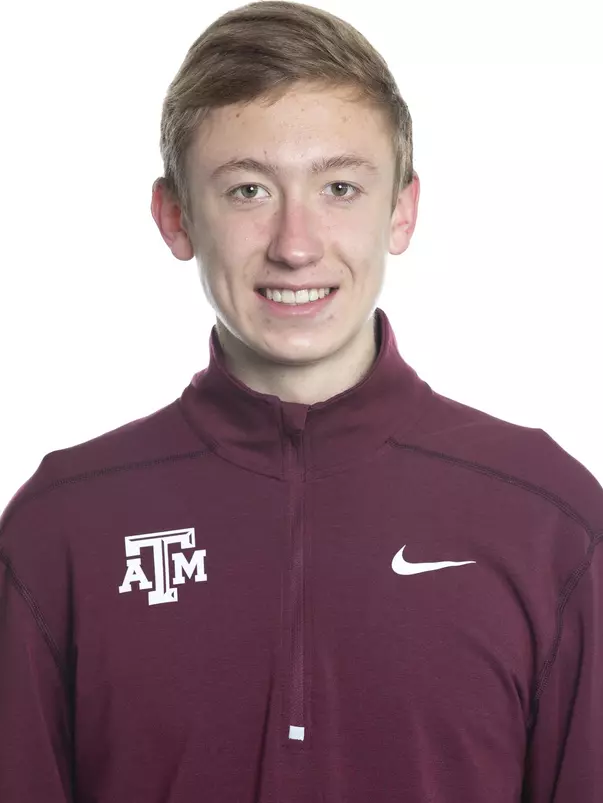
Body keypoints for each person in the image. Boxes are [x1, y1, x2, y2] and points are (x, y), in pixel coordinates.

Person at [0, 1, 601, 801]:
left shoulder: (545, 514)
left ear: (402, 209)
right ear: (175, 217)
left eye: (340, 187)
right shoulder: (59, 527)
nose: (295, 243)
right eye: (248, 190)